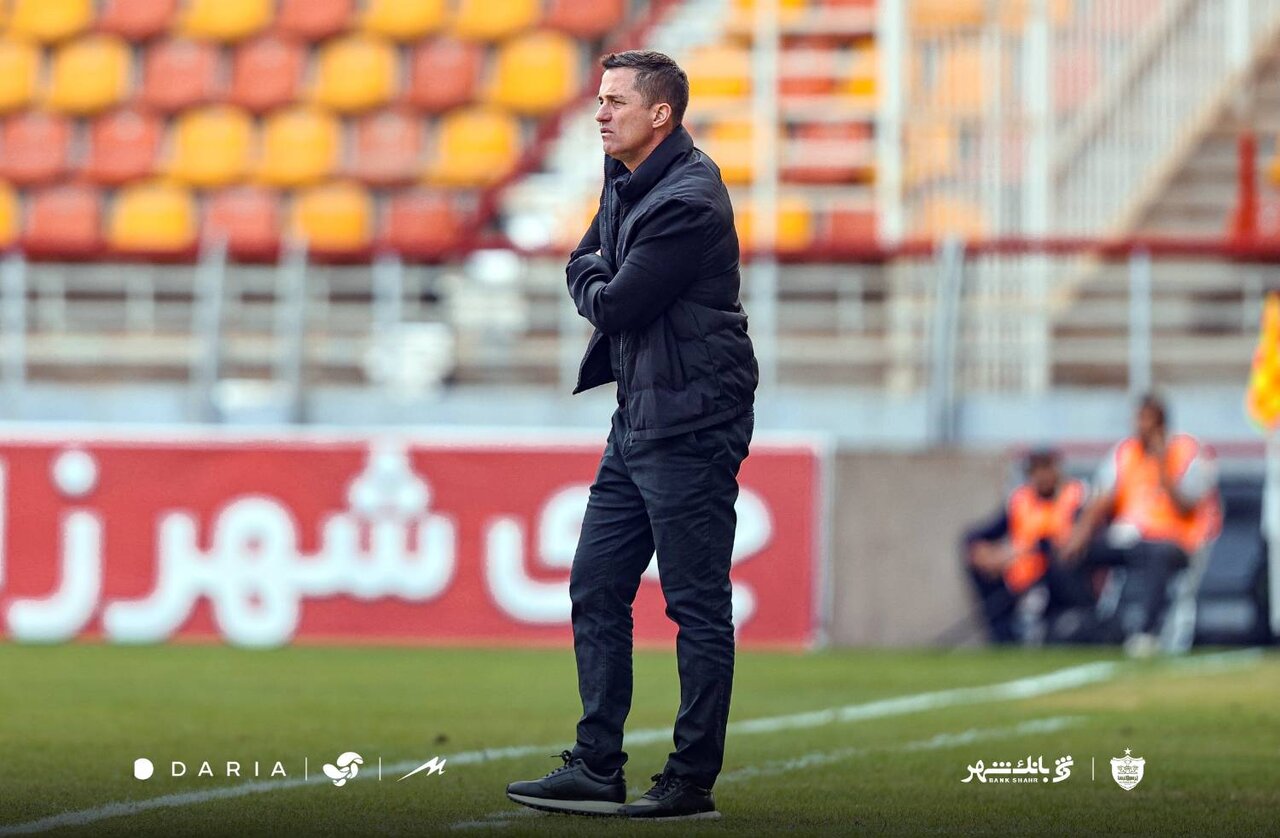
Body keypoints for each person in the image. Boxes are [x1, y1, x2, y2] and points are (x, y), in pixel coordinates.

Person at [505, 50, 758, 821]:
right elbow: (592, 266)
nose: (600, 113)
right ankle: (596, 766)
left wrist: (588, 274)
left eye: (615, 101)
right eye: (600, 99)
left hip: (693, 422)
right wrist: (592, 272)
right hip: (640, 417)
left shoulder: (688, 199)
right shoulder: (626, 175)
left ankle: (690, 780)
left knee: (695, 606)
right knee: (596, 584)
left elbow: (613, 300)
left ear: (660, 114)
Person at [1060, 393, 1222, 656]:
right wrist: (1080, 534)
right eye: (1138, 419)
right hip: (1130, 538)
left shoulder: (1189, 451)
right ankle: (1085, 624)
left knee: (1157, 555)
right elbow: (1102, 496)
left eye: (1147, 420)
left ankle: (1146, 634)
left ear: (1161, 424)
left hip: (1174, 542)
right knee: (1074, 552)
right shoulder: (1126, 452)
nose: (1140, 426)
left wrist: (1162, 464)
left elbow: (1186, 505)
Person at [962, 447, 1092, 644]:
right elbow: (983, 534)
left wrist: (1014, 552)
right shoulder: (1020, 500)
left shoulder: (1075, 495)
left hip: (1060, 576)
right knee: (977, 559)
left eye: (1047, 468)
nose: (1043, 476)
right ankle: (1000, 636)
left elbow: (1054, 541)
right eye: (1036, 470)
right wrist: (986, 553)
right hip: (1020, 574)